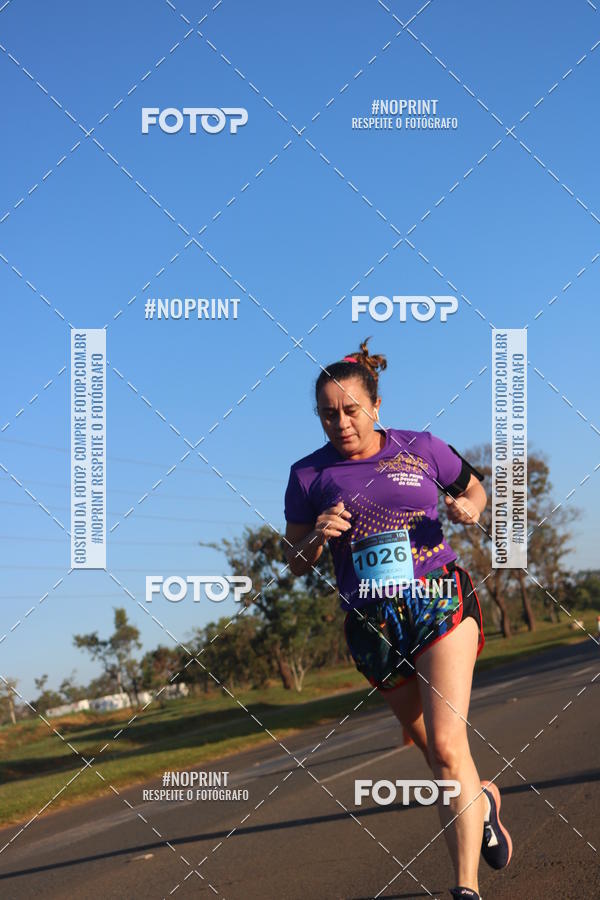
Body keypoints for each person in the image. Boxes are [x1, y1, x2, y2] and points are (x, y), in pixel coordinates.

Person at [283, 338, 512, 900]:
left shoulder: (421, 447)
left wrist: (471, 509)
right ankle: (480, 800)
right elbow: (292, 559)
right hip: (372, 623)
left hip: (438, 599)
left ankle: (464, 888)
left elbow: (474, 488)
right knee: (426, 744)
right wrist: (316, 536)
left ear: (375, 407)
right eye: (328, 414)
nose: (340, 423)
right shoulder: (308, 475)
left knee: (447, 746)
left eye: (351, 410)